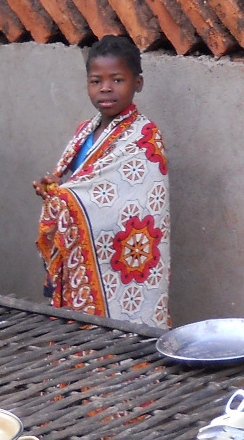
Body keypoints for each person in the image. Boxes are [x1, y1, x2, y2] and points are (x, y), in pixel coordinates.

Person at [34, 35, 170, 327]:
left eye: (117, 80)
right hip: (85, 249)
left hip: (124, 252)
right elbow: (82, 182)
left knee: (124, 328)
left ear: (138, 83)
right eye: (96, 81)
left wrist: (67, 198)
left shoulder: (144, 136)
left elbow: (133, 200)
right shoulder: (86, 130)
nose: (105, 88)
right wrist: (55, 186)